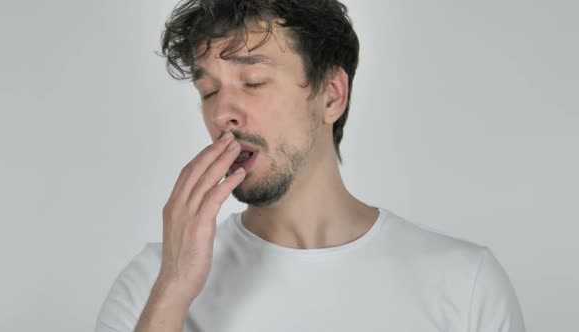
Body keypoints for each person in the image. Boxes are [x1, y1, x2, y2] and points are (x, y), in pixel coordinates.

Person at [95, 0, 526, 331]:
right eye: (208, 91)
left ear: (332, 96)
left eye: (253, 82)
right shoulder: (152, 284)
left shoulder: (465, 284)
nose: (222, 112)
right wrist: (173, 292)